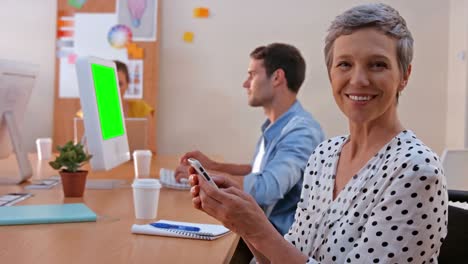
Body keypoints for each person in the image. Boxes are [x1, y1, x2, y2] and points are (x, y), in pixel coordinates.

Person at [188, 3, 448, 263]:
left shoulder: (415, 171)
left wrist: (258, 227)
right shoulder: (324, 156)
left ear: (404, 75)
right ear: (331, 74)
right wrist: (243, 222)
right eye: (344, 64)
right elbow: (286, 256)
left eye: (377, 65)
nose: (358, 79)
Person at [176, 43, 325, 238]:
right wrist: (214, 166)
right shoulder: (277, 125)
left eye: (252, 75)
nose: (246, 84)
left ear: (277, 78)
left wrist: (204, 175)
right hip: (258, 235)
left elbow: (266, 188)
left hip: (280, 242)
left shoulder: (301, 131)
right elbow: (259, 171)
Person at [76, 60, 154, 118]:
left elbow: (148, 137)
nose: (115, 90)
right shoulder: (88, 111)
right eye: (110, 84)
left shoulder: (140, 108)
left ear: (127, 83)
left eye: (120, 84)